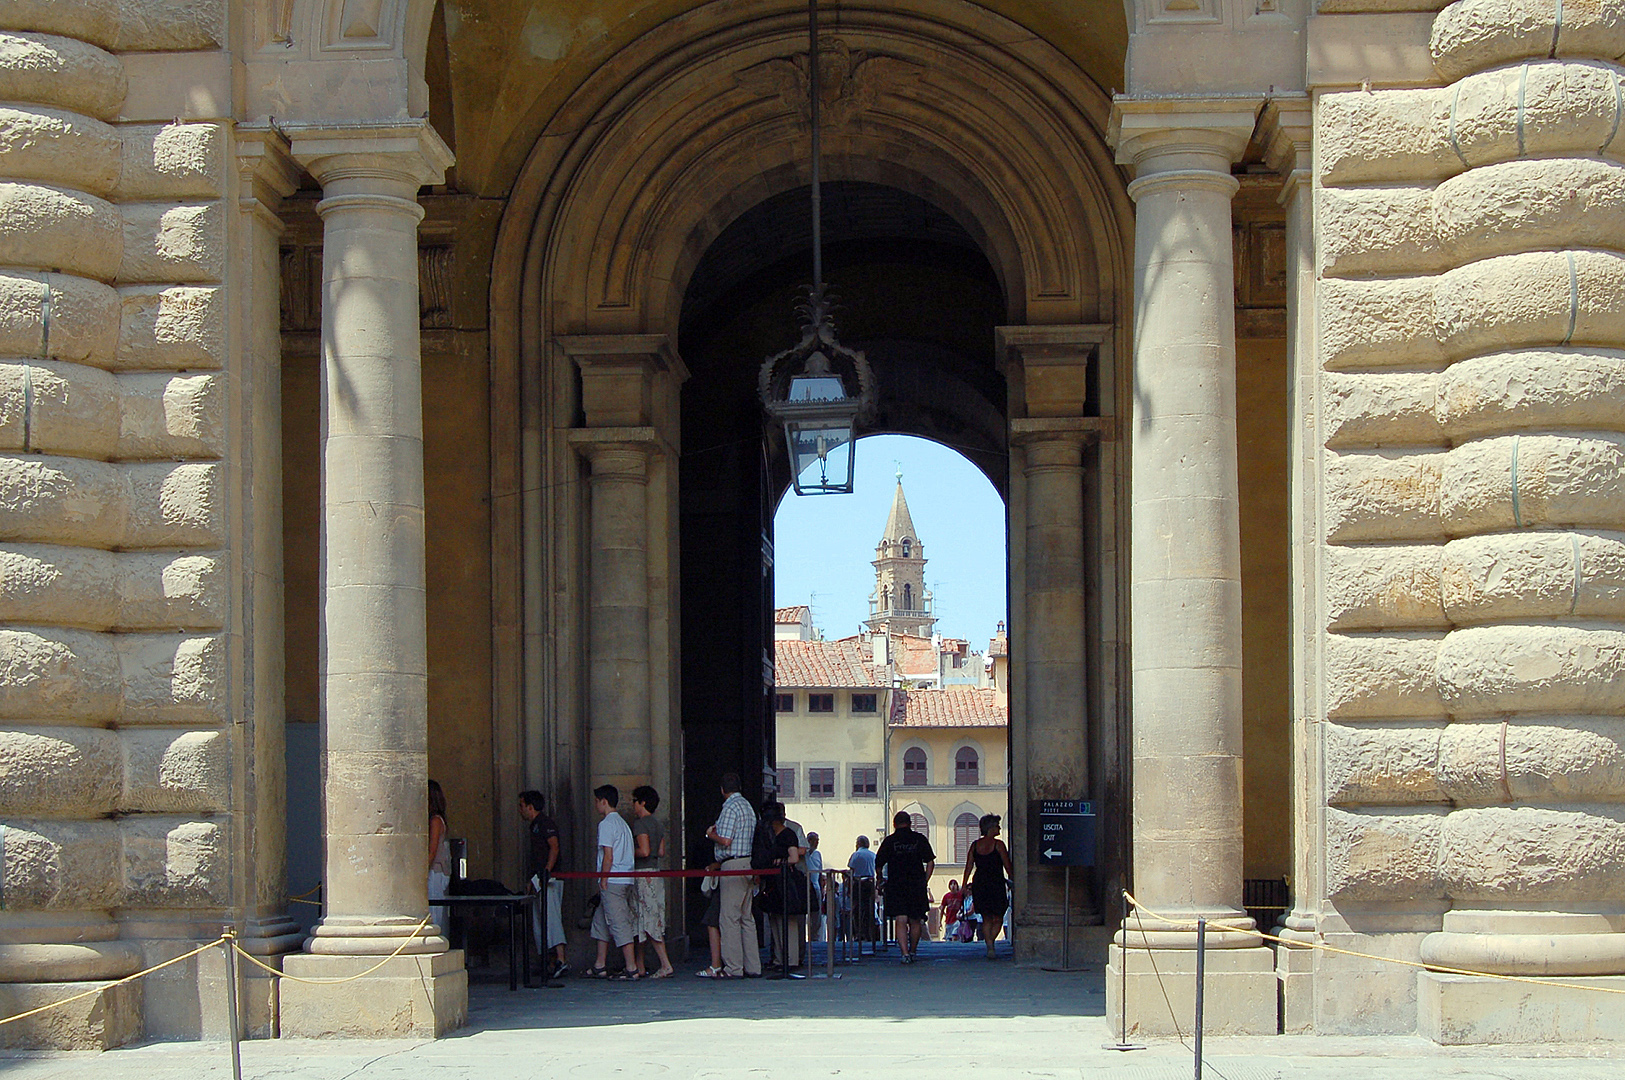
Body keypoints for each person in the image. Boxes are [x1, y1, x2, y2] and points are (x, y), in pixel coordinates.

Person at [704, 772, 760, 978]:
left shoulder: (729, 808)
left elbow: (726, 840)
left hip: (733, 863)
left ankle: (734, 967)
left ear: (722, 790)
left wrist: (711, 834)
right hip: (748, 862)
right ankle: (753, 966)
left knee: (729, 917)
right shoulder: (747, 806)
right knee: (747, 917)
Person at [587, 784, 639, 979]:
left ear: (604, 801)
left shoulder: (606, 824)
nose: (595, 805)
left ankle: (631, 968)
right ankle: (600, 964)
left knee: (619, 923)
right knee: (601, 920)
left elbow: (608, 855)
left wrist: (603, 878)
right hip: (625, 878)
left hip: (613, 880)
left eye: (596, 801)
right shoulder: (623, 823)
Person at [874, 812, 935, 963]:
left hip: (896, 884)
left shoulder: (890, 841)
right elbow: (930, 862)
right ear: (910, 823)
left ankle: (904, 953)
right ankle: (913, 950)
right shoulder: (919, 839)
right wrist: (924, 880)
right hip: (916, 884)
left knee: (900, 919)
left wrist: (880, 878)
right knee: (916, 919)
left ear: (894, 824)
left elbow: (879, 863)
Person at [519, 790, 568, 977]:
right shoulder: (534, 826)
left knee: (551, 918)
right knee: (539, 920)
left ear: (530, 807)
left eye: (522, 805)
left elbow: (554, 847)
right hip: (540, 878)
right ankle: (547, 960)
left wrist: (547, 871)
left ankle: (561, 959)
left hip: (550, 878)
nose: (520, 810)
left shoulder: (545, 823)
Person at [753, 800, 806, 968]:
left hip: (785, 880)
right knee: (775, 920)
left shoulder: (788, 834)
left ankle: (790, 959)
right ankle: (779, 958)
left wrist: (780, 862)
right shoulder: (769, 836)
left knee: (788, 921)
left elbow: (794, 857)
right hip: (773, 882)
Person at [629, 785, 674, 978]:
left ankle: (665, 964)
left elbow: (645, 851)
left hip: (642, 874)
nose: (633, 805)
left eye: (634, 801)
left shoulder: (640, 824)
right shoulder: (658, 824)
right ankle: (639, 964)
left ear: (642, 802)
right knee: (643, 919)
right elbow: (660, 852)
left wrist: (626, 853)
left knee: (647, 919)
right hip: (655, 873)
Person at [964, 813, 1014, 958]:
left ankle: (990, 945)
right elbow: (1007, 865)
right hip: (996, 883)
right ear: (990, 828)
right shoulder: (998, 845)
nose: (999, 828)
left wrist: (964, 884)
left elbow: (968, 866)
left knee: (986, 917)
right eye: (997, 826)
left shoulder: (974, 846)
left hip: (980, 883)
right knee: (998, 916)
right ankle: (990, 944)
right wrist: (1013, 880)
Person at [427, 780, 451, 932]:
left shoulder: (436, 821)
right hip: (435, 871)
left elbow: (432, 850)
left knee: (434, 915)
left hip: (435, 872)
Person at [848, 834, 878, 942]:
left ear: (859, 844)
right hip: (870, 883)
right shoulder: (873, 855)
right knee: (869, 909)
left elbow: (851, 871)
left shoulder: (856, 855)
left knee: (857, 909)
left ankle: (859, 933)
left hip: (858, 883)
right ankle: (869, 933)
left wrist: (849, 888)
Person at [804, 831, 825, 942]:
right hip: (806, 886)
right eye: (815, 840)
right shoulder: (804, 853)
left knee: (816, 915)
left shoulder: (818, 854)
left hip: (816, 887)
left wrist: (822, 889)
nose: (817, 843)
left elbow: (820, 872)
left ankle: (815, 937)